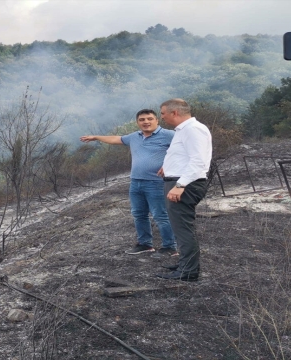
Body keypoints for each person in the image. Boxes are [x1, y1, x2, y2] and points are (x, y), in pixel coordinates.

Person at [80, 109, 177, 256]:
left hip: (156, 183)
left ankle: (170, 247)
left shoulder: (169, 135)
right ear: (138, 122)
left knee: (160, 215)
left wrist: (170, 164)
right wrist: (96, 137)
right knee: (139, 214)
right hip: (136, 182)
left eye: (149, 119)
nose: (146, 122)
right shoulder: (134, 136)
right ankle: (145, 244)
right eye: (142, 119)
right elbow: (116, 139)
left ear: (157, 120)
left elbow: (186, 150)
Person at [155, 99, 212, 282]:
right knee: (179, 228)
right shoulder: (184, 130)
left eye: (163, 113)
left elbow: (198, 162)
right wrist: (168, 167)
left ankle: (188, 271)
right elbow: (184, 156)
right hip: (179, 181)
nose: (161, 117)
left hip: (185, 185)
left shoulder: (193, 130)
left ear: (175, 113)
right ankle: (185, 264)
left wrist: (180, 186)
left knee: (183, 229)